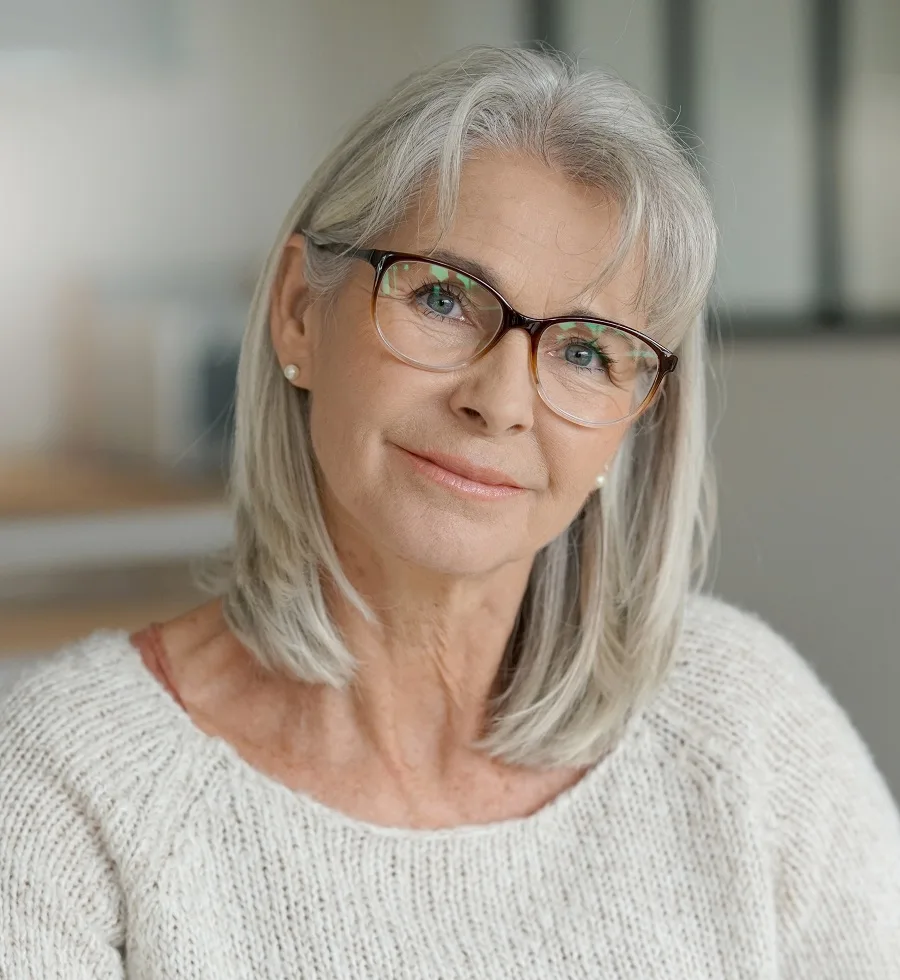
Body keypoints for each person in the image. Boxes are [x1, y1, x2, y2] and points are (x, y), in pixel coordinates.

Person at [1, 44, 898, 979]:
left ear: (634, 421)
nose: (501, 400)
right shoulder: (70, 787)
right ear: (301, 311)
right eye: (442, 298)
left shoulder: (743, 727)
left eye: (588, 353)